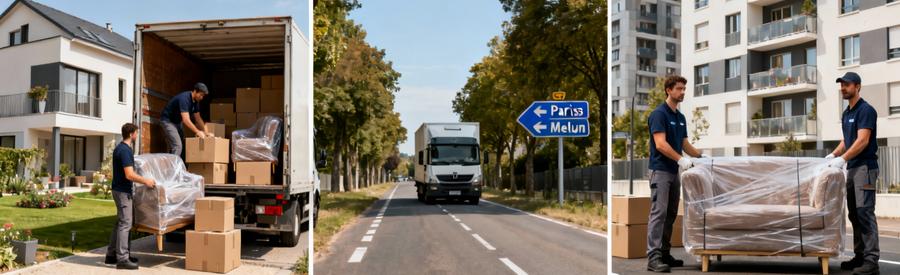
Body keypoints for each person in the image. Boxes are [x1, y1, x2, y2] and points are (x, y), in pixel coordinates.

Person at [646, 75, 704, 273]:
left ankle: (664, 253)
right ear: (668, 90)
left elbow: (685, 144)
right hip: (660, 171)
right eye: (679, 88)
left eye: (684, 89)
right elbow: (660, 144)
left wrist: (701, 157)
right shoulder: (659, 114)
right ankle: (653, 258)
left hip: (674, 172)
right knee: (658, 213)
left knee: (670, 214)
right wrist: (680, 159)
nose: (682, 92)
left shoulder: (680, 117)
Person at [827, 72, 880, 275]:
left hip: (865, 168)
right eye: (841, 84)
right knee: (854, 214)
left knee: (865, 213)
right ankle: (860, 256)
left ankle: (871, 261)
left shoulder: (866, 110)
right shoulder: (847, 113)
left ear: (858, 87)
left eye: (847, 85)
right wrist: (833, 155)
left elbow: (863, 140)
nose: (843, 88)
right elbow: (847, 141)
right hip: (852, 168)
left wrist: (843, 159)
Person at [105, 123, 156, 270]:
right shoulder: (125, 151)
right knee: (126, 224)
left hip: (119, 190)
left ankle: (111, 255)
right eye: (136, 133)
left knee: (120, 223)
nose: (137, 135)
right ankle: (122, 259)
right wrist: (146, 180)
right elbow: (129, 174)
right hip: (122, 191)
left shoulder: (119, 148)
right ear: (132, 134)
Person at [160, 83, 211, 159]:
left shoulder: (196, 102)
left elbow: (198, 118)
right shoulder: (184, 99)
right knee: (177, 146)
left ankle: (176, 164)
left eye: (203, 96)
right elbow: (186, 120)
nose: (202, 97)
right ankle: (174, 169)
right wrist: (197, 132)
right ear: (195, 91)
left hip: (177, 122)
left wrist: (206, 133)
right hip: (168, 121)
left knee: (182, 144)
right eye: (201, 95)